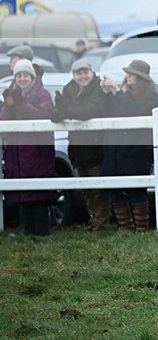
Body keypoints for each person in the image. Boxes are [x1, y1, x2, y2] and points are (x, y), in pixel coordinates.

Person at [49, 59, 111, 231]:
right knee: (86, 188)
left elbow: (93, 110)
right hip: (77, 146)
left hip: (96, 145)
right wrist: (57, 113)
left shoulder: (99, 87)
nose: (83, 76)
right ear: (74, 75)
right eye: (79, 73)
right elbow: (61, 109)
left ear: (91, 72)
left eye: (86, 72)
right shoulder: (68, 89)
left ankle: (101, 222)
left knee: (98, 187)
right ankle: (93, 219)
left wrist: (66, 112)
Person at [100, 60, 158, 231]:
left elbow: (134, 111)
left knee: (136, 190)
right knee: (114, 189)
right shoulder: (124, 94)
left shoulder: (151, 96)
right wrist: (106, 92)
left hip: (135, 150)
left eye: (132, 74)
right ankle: (126, 227)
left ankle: (141, 228)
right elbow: (109, 111)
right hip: (116, 148)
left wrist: (118, 91)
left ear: (141, 78)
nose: (128, 76)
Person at [0, 60, 57, 236]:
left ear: (32, 76)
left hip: (37, 151)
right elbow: (4, 121)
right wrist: (9, 105)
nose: (22, 79)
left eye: (25, 75)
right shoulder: (14, 94)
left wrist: (21, 102)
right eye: (19, 75)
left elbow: (40, 116)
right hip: (17, 151)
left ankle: (41, 229)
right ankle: (25, 226)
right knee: (22, 190)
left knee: (37, 190)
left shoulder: (43, 94)